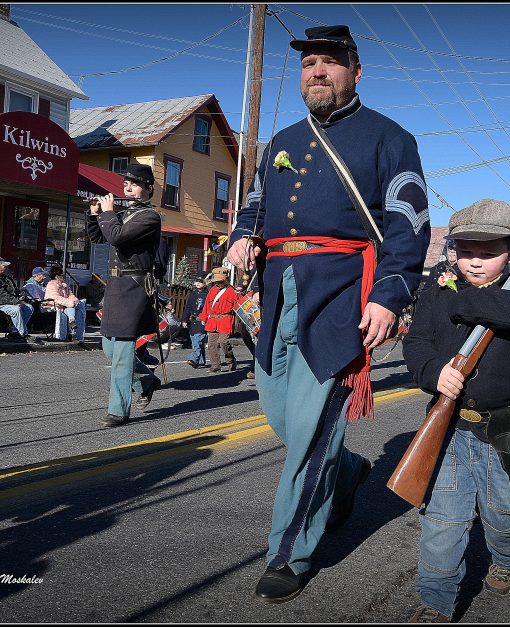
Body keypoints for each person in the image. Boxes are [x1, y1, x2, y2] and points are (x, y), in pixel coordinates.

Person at [226, 25, 429, 604]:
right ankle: (344, 473)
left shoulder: (391, 138)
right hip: (276, 294)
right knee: (281, 416)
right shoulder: (282, 139)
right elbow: (257, 205)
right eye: (308, 63)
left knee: (312, 434)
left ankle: (290, 552)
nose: (316, 71)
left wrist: (388, 297)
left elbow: (407, 226)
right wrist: (243, 237)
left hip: (342, 295)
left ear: (355, 72)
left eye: (329, 63)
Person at [402, 199, 510, 623]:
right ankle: (435, 602)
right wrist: (434, 373)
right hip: (448, 428)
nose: (476, 262)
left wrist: (466, 303)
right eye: (466, 251)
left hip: (505, 430)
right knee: (441, 524)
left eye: (489, 253)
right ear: (453, 249)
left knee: (503, 517)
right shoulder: (437, 289)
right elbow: (417, 344)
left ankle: (506, 559)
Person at [86, 163, 162, 427]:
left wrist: (107, 213)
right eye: (125, 183)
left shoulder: (149, 217)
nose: (127, 187)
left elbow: (116, 237)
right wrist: (94, 214)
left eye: (134, 183)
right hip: (116, 287)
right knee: (110, 348)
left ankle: (118, 410)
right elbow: (99, 238)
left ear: (148, 189)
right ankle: (147, 380)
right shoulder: (123, 214)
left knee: (121, 352)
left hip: (135, 286)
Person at [0, 257, 37, 343]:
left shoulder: (6, 277)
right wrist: (16, 301)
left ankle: (14, 331)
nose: (7, 268)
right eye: (4, 266)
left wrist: (22, 296)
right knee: (16, 310)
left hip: (8, 302)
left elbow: (15, 290)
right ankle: (23, 334)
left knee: (29, 308)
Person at [199, 267, 239, 373]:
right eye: (217, 281)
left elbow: (239, 305)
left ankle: (230, 360)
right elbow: (207, 305)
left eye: (221, 281)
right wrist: (204, 317)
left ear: (225, 280)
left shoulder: (232, 291)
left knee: (224, 342)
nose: (219, 283)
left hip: (225, 320)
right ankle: (215, 365)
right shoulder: (212, 290)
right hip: (212, 320)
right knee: (212, 344)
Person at [45, 266, 87, 342]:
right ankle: (72, 328)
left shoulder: (65, 285)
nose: (64, 277)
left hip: (64, 306)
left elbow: (71, 295)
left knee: (77, 309)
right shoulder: (51, 285)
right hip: (53, 305)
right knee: (71, 306)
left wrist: (75, 300)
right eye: (62, 275)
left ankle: (73, 326)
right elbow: (55, 298)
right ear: (57, 276)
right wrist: (70, 302)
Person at [181, 271, 209, 369]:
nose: (197, 283)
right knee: (195, 341)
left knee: (198, 340)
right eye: (196, 281)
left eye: (200, 281)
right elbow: (188, 307)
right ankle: (201, 360)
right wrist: (184, 320)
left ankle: (194, 359)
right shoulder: (193, 294)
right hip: (193, 321)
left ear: (205, 283)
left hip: (202, 321)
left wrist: (206, 319)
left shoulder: (208, 294)